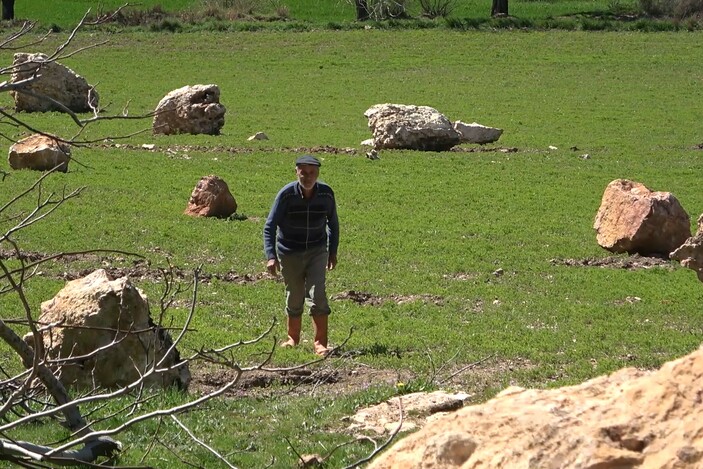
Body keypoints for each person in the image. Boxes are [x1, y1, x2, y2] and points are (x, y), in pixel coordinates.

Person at [263, 155, 339, 356]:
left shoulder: (326, 194)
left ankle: (320, 343)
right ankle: (292, 338)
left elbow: (333, 224)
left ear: (318, 173)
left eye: (312, 172)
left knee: (318, 294)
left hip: (317, 251)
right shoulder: (286, 195)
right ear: (296, 172)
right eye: (303, 172)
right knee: (294, 295)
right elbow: (270, 226)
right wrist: (271, 256)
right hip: (289, 252)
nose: (307, 177)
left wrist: (333, 252)